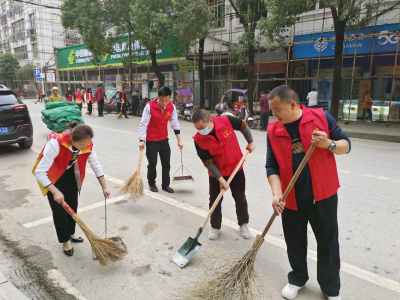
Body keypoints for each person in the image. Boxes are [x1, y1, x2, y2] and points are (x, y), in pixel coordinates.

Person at [265, 86, 351, 300]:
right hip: (291, 198)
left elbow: (346, 145)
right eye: (271, 110)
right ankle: (297, 278)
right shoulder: (273, 130)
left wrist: (328, 144)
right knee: (294, 241)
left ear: (292, 104)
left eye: (276, 109)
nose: (273, 114)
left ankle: (330, 288)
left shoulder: (321, 118)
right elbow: (271, 165)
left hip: (323, 195)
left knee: (328, 242)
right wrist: (277, 194)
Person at [33, 122, 110, 257]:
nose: (85, 147)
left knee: (72, 204)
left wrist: (104, 186)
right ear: (72, 140)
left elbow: (95, 164)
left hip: (68, 173)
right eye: (81, 145)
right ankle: (65, 240)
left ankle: (71, 232)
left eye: (87, 144)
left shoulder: (87, 144)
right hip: (51, 175)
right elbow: (40, 172)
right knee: (59, 209)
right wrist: (55, 191)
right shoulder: (56, 144)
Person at [192, 109, 256, 240]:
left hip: (236, 168)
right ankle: (215, 226)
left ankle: (243, 224)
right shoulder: (198, 140)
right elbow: (207, 161)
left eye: (201, 127)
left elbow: (242, 125)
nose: (200, 130)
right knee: (215, 200)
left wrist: (250, 141)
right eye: (197, 128)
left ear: (210, 121)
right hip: (216, 173)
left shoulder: (226, 121)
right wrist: (220, 179)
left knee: (240, 197)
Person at [139, 86, 183, 193]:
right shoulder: (149, 107)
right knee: (152, 163)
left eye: (166, 100)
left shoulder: (171, 107)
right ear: (158, 97)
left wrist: (179, 140)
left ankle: (165, 184)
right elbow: (143, 124)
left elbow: (175, 124)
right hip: (151, 140)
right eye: (162, 100)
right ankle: (152, 183)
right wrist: (142, 140)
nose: (164, 103)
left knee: (166, 163)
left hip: (163, 139)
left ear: (169, 98)